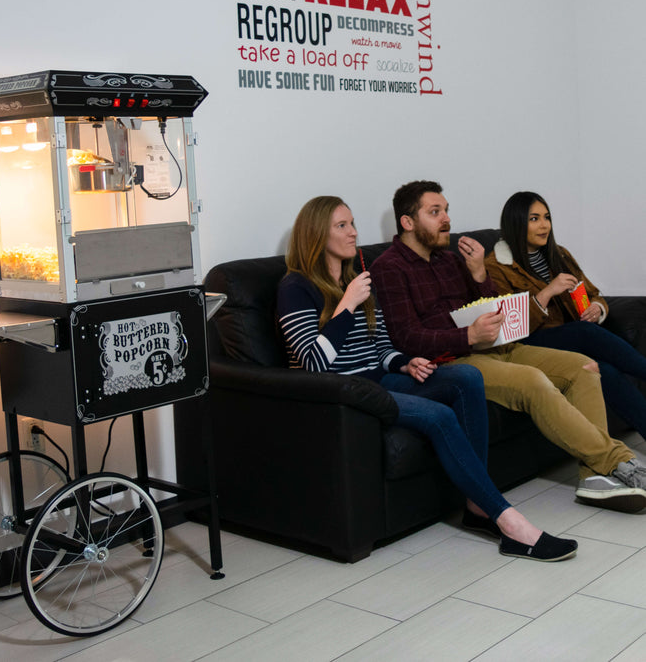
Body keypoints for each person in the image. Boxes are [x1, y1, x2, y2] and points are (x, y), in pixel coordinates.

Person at [277, 195, 577, 562]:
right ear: (315, 234)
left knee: (466, 377)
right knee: (439, 416)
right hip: (345, 393)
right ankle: (509, 522)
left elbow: (381, 346)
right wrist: (346, 306)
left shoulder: (357, 278)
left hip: (378, 379)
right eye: (342, 226)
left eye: (353, 223)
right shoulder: (296, 287)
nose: (354, 232)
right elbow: (312, 364)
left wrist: (404, 363)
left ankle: (476, 506)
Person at [369, 180, 646, 513]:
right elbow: (406, 337)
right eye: (435, 212)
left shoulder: (450, 258)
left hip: (499, 346)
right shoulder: (388, 268)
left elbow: (493, 305)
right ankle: (619, 460)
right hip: (454, 360)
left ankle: (593, 477)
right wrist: (468, 337)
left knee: (584, 367)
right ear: (408, 222)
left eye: (446, 211)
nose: (446, 219)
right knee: (533, 381)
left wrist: (478, 274)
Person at [485, 191, 646, 440]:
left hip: (570, 337)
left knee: (606, 371)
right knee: (583, 332)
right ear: (516, 222)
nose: (544, 225)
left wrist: (597, 307)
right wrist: (548, 292)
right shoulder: (496, 267)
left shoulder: (559, 253)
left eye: (546, 217)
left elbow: (592, 293)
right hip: (529, 343)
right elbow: (508, 325)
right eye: (534, 219)